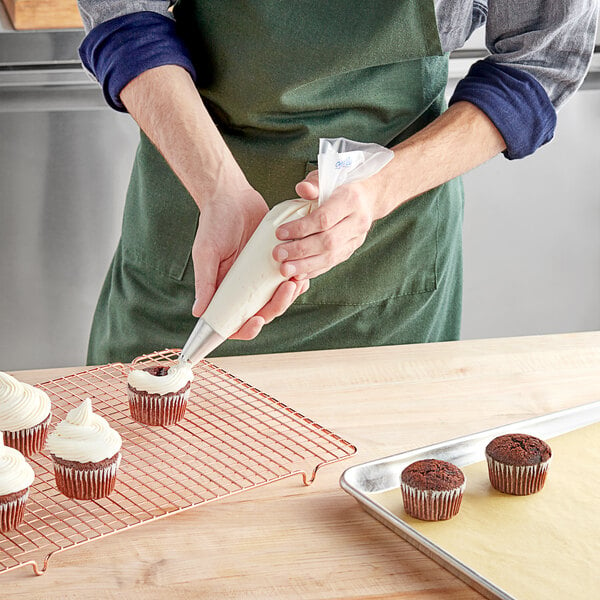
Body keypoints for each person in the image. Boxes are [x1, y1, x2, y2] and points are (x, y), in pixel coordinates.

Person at [78, 1, 598, 365]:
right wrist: (217, 188)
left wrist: (377, 189)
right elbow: (125, 18)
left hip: (389, 277)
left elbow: (541, 59)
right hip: (195, 235)